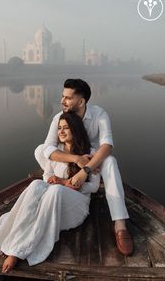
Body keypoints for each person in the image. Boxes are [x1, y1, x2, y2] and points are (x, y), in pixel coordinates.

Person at [0, 112, 101, 273]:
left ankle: (19, 251)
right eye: (59, 128)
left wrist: (64, 183)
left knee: (56, 191)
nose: (61, 132)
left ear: (76, 130)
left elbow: (93, 187)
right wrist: (56, 180)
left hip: (76, 205)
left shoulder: (91, 152)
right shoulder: (57, 151)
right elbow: (47, 175)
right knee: (36, 184)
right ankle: (14, 238)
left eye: (66, 128)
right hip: (53, 199)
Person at [35, 78, 133, 256]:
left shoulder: (99, 115)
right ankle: (53, 180)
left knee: (110, 161)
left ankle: (120, 225)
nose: (62, 101)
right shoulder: (59, 117)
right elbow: (49, 147)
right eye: (62, 96)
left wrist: (86, 169)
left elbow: (107, 145)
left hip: (95, 162)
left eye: (67, 98)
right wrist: (76, 159)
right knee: (40, 150)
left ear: (81, 101)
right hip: (74, 158)